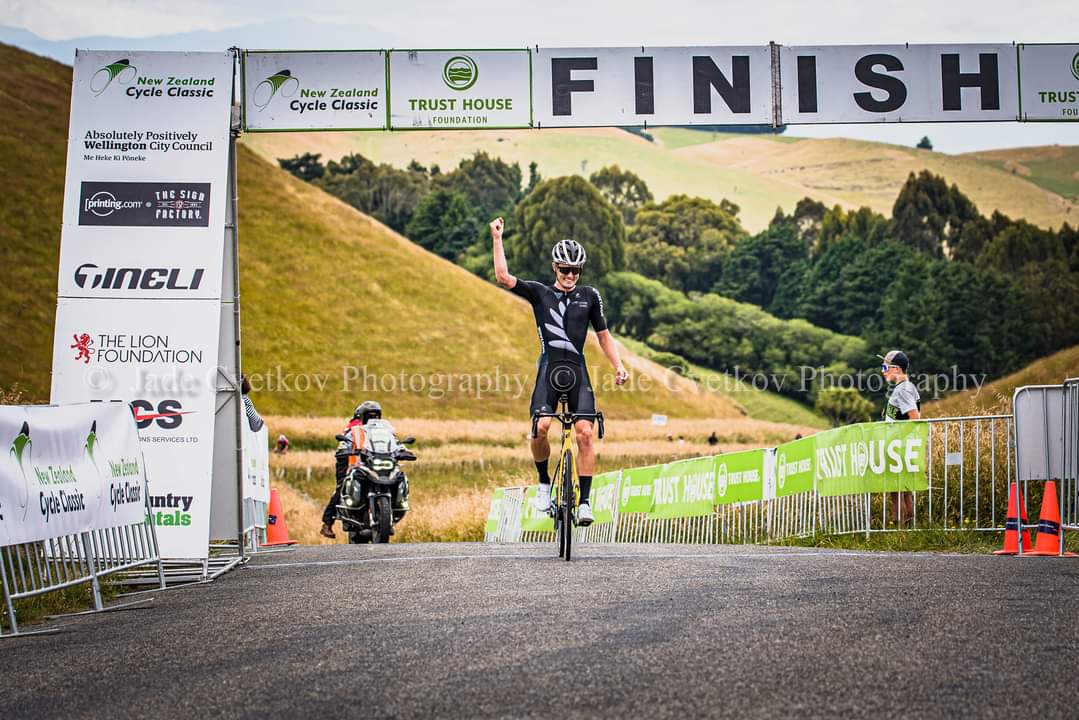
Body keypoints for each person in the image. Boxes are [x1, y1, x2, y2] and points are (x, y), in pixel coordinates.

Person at [490, 216, 628, 526]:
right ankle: (542, 484)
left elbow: (604, 335)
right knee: (540, 428)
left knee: (586, 435)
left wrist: (618, 366)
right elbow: (502, 277)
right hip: (549, 370)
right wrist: (497, 238)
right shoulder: (540, 293)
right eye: (564, 269)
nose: (569, 275)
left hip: (577, 372)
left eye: (575, 270)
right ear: (555, 268)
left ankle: (585, 503)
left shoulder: (590, 296)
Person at [320, 401, 382, 539]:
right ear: (361, 416)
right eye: (370, 415)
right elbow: (345, 443)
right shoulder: (354, 426)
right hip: (349, 462)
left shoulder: (381, 429)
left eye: (376, 415)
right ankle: (327, 522)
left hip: (372, 462)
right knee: (342, 486)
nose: (374, 418)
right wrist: (345, 451)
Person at [880, 350, 921, 526]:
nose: (882, 371)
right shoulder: (904, 388)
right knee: (902, 490)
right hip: (900, 445)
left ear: (896, 369)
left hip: (900, 447)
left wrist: (897, 440)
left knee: (897, 490)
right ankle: (905, 530)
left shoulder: (904, 390)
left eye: (885, 367)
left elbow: (914, 418)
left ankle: (900, 529)